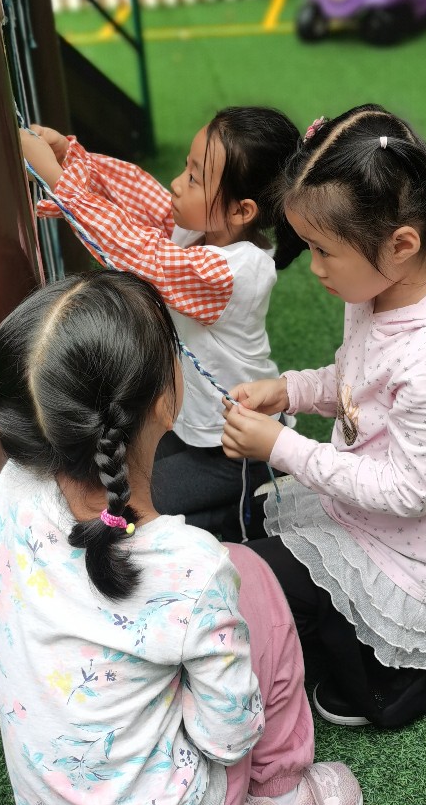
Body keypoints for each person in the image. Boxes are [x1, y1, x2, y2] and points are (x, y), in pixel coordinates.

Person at [0, 270, 363, 805]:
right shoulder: (191, 565)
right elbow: (227, 737)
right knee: (254, 575)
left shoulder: (3, 500)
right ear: (166, 400)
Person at [221, 104, 426, 730]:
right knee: (247, 582)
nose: (315, 268)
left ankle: (404, 668)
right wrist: (289, 392)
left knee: (256, 601)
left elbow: (410, 492)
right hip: (358, 509)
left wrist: (282, 448)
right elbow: (358, 381)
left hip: (405, 553)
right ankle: (350, 634)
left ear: (401, 244)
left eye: (324, 251)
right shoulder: (378, 288)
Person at [18, 108, 301, 540]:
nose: (177, 183)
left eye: (194, 178)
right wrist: (73, 158)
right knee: (126, 484)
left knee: (139, 510)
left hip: (235, 446)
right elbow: (138, 196)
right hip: (194, 426)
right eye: (187, 168)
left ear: (241, 210)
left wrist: (60, 183)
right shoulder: (198, 229)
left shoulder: (236, 271)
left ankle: (243, 510)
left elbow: (142, 255)